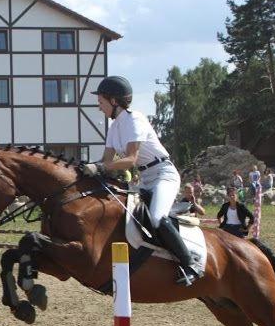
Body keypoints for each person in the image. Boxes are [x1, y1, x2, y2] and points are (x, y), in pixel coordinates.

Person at [81, 75, 203, 285]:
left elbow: (130, 159)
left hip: (163, 174)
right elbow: (106, 161)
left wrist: (100, 167)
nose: (99, 107)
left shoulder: (134, 119)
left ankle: (190, 264)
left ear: (114, 101)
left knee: (156, 217)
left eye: (101, 102)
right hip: (145, 178)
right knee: (128, 216)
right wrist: (85, 169)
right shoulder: (114, 127)